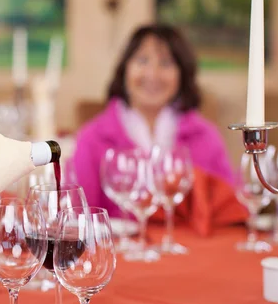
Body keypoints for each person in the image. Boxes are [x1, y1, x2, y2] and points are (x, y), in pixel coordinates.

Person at [72, 24, 234, 218]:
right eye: (142, 60)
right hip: (120, 246)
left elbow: (229, 209)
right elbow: (78, 217)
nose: (153, 74)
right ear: (125, 69)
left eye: (165, 63)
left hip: (188, 247)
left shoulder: (207, 136)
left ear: (182, 74)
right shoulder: (91, 138)